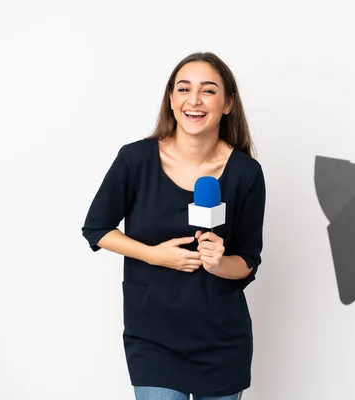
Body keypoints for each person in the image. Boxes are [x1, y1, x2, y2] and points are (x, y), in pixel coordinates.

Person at [81, 52, 266, 400]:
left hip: (221, 341)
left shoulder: (246, 173)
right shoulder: (135, 160)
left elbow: (248, 260)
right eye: (184, 88)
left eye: (208, 90)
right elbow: (97, 228)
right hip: (153, 337)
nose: (194, 99)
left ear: (228, 103)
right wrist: (155, 256)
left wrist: (218, 263)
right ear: (171, 98)